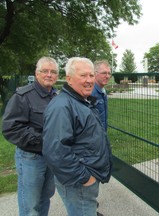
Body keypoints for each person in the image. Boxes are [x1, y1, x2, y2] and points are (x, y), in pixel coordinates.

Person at [42, 57, 112, 216]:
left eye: (91, 75)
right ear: (69, 79)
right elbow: (56, 151)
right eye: (83, 76)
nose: (89, 80)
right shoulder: (62, 106)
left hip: (85, 176)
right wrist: (84, 178)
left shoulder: (82, 101)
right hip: (79, 181)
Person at [2, 57, 59, 216]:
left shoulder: (56, 96)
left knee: (45, 198)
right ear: (36, 73)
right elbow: (10, 128)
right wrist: (43, 140)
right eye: (44, 71)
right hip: (30, 158)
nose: (49, 75)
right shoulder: (23, 96)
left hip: (50, 157)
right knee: (30, 204)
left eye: (53, 72)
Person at [91, 60, 112, 131]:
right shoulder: (91, 92)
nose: (107, 76)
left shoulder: (102, 90)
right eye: (104, 73)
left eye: (109, 73)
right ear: (94, 73)